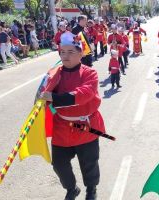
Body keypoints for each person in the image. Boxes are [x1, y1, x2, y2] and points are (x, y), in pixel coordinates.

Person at [39, 32, 104, 200]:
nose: (65, 56)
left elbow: (84, 94)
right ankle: (71, 188)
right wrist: (42, 100)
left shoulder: (90, 73)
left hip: (86, 126)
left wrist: (55, 98)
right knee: (59, 164)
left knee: (89, 163)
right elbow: (44, 95)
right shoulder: (54, 74)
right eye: (62, 52)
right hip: (62, 126)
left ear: (81, 53)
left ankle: (91, 189)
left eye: (70, 52)